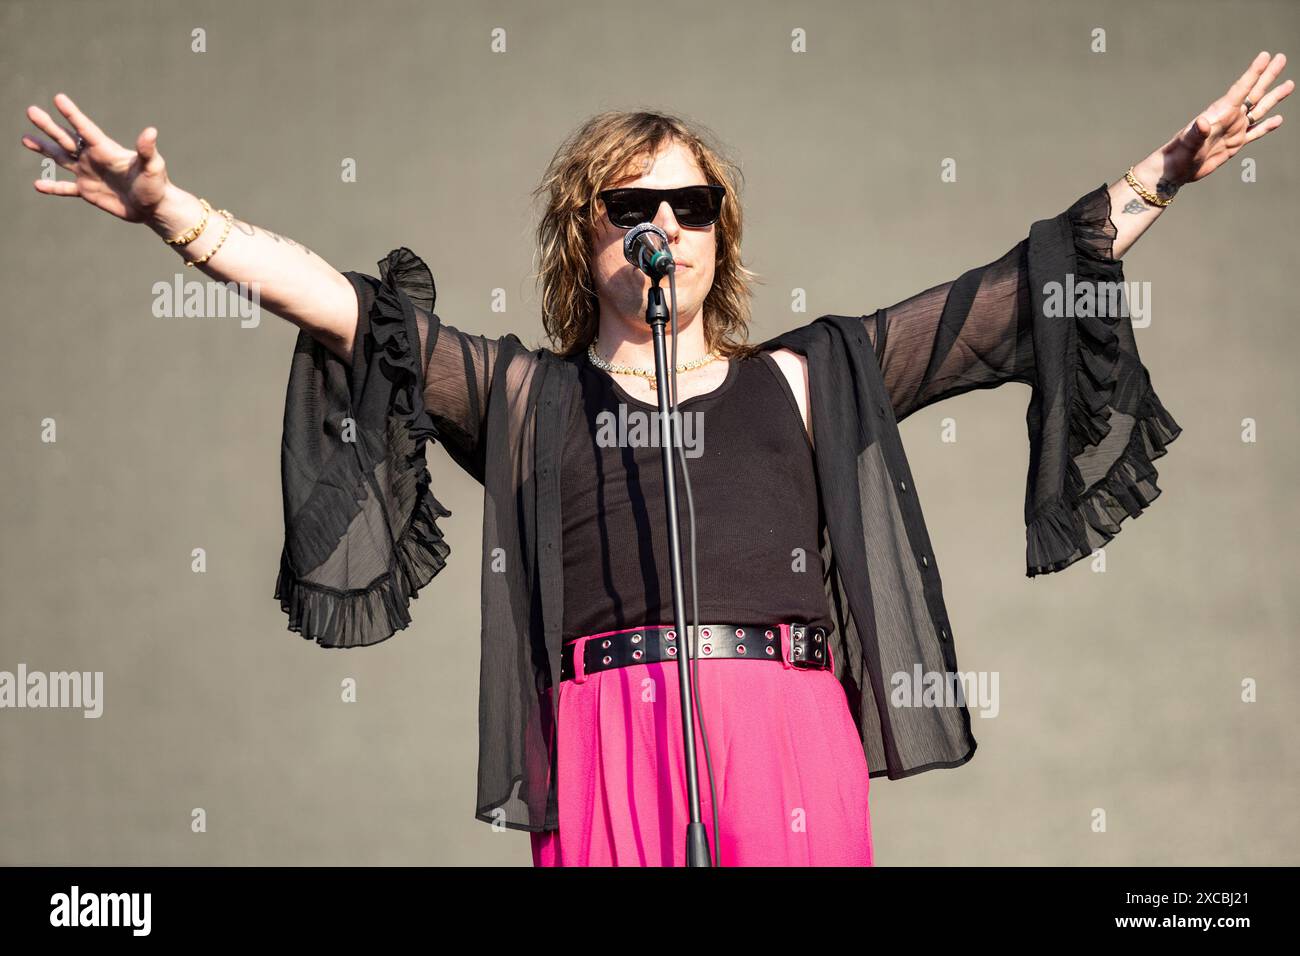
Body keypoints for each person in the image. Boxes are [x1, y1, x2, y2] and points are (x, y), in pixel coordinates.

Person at [21, 51, 1291, 866]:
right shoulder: (525, 396)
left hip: (784, 728)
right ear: (591, 234)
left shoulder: (805, 377)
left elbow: (1002, 298)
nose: (664, 227)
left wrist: (1153, 180)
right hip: (604, 731)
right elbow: (347, 311)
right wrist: (177, 218)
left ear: (718, 236)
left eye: (690, 207)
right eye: (634, 207)